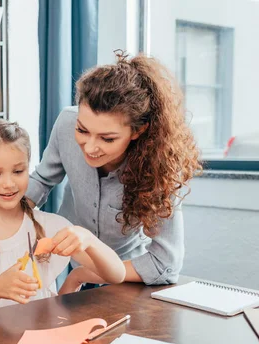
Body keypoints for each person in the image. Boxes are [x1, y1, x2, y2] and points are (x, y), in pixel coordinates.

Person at [26, 51, 202, 292]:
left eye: (107, 139)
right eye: (83, 130)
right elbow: (41, 181)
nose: (89, 147)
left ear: (138, 131)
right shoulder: (66, 123)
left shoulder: (161, 168)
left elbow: (166, 265)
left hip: (128, 274)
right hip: (67, 262)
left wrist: (83, 274)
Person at [0, 120, 126, 319]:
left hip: (41, 342)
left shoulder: (52, 226)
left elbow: (116, 275)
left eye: (19, 171)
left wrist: (88, 240)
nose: (9, 184)